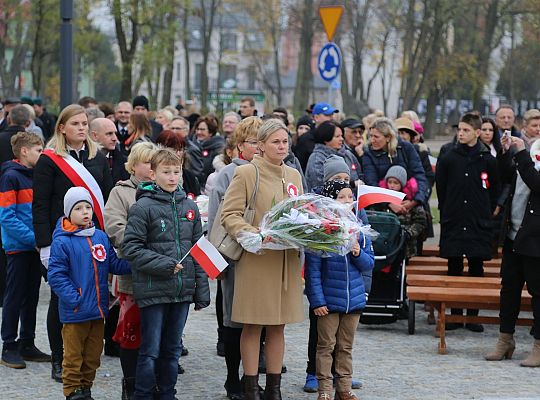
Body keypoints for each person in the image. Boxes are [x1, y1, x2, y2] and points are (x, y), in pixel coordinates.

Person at [220, 118, 304, 399]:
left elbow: (300, 213)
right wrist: (251, 233)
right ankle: (251, 385)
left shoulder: (293, 175)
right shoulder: (247, 172)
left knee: (278, 325)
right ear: (262, 145)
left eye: (285, 141)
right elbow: (229, 213)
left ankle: (274, 388)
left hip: (285, 260)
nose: (281, 146)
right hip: (256, 259)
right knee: (253, 324)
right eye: (275, 142)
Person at [33, 104, 113, 383]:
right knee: (61, 299)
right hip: (62, 242)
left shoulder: (98, 157)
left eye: (83, 123)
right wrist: (44, 244)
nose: (81, 128)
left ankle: (87, 357)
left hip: (92, 240)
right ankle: (60, 358)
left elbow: (106, 198)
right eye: (75, 124)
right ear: (62, 128)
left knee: (94, 296)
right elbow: (40, 204)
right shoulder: (49, 160)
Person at [122, 149, 210, 399]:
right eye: (166, 172)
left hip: (181, 291)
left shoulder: (189, 206)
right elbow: (131, 248)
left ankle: (168, 394)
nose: (172, 177)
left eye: (177, 172)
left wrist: (201, 291)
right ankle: (143, 394)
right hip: (153, 289)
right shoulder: (142, 207)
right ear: (153, 174)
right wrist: (164, 264)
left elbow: (198, 251)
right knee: (150, 350)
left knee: (173, 350)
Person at [48, 187, 130, 400]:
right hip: (75, 311)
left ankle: (86, 388)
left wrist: (136, 264)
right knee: (74, 356)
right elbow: (56, 275)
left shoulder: (100, 237)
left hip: (97, 310)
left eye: (88, 207)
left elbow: (113, 263)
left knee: (93, 355)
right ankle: (72, 391)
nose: (85, 212)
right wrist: (75, 298)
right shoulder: (62, 241)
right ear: (68, 212)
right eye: (78, 208)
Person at [208, 116, 262, 399]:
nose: (259, 148)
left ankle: (251, 376)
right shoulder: (227, 175)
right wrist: (218, 258)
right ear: (241, 145)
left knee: (260, 319)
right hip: (235, 255)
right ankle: (232, 378)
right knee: (233, 319)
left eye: (261, 142)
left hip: (264, 257)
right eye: (254, 142)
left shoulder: (275, 171)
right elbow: (217, 220)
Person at [305, 179, 374, 400]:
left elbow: (369, 264)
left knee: (346, 346)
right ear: (330, 202)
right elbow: (313, 271)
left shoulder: (359, 231)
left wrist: (357, 252)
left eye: (349, 197)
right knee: (325, 346)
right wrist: (317, 301)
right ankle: (325, 388)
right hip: (329, 301)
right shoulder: (321, 232)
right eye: (341, 197)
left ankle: (344, 388)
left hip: (352, 300)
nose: (347, 201)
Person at [436, 113, 500, 332]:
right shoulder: (448, 157)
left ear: (477, 132)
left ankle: (473, 316)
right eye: (459, 130)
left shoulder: (487, 159)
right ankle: (454, 315)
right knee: (453, 265)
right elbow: (441, 189)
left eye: (465, 130)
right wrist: (447, 211)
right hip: (454, 219)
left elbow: (494, 190)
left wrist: (487, 212)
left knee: (476, 266)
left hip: (477, 221)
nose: (460, 134)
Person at [103, 142, 157, 398]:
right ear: (134, 165)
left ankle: (153, 383)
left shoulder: (167, 190)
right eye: (147, 162)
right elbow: (114, 227)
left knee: (158, 334)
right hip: (134, 272)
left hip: (162, 275)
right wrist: (146, 246)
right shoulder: (121, 193)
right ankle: (131, 384)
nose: (152, 167)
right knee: (131, 332)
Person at [485, 135, 540, 367]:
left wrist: (520, 154)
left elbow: (536, 183)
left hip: (536, 239)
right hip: (512, 235)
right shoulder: (527, 151)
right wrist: (507, 153)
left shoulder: (527, 156)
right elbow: (505, 178)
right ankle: (505, 339)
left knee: (538, 294)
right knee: (509, 291)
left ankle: (538, 345)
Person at [0, 132, 50, 369]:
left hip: (34, 246)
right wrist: (34, 238)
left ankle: (27, 342)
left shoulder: (36, 176)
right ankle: (8, 344)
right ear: (24, 151)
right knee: (14, 295)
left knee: (32, 295)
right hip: (19, 247)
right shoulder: (10, 177)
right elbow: (7, 217)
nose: (42, 154)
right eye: (39, 150)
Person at [362, 117, 428, 215]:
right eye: (370, 136)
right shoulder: (369, 154)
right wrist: (389, 203)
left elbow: (420, 175)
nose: (372, 140)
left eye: (376, 137)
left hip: (410, 202)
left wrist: (415, 201)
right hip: (383, 208)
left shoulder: (406, 148)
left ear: (388, 137)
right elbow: (371, 183)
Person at [380, 166, 427, 260]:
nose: (392, 185)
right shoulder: (382, 202)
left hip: (406, 247)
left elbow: (421, 221)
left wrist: (408, 233)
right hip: (385, 246)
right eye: (389, 182)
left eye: (396, 183)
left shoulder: (410, 202)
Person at [305, 121, 362, 192]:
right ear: (326, 138)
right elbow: (319, 185)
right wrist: (352, 184)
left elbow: (360, 174)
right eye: (337, 136)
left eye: (341, 136)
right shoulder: (316, 159)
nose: (341, 139)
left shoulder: (348, 154)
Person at [156, 130, 201, 198]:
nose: (177, 153)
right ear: (160, 148)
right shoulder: (152, 175)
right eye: (173, 149)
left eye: (180, 149)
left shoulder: (190, 177)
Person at [294, 102, 338, 172]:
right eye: (328, 115)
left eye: (332, 114)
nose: (332, 118)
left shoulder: (337, 137)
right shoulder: (306, 139)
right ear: (316, 117)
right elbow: (299, 165)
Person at [89, 117, 129, 184]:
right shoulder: (82, 160)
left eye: (115, 133)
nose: (115, 139)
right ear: (95, 136)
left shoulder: (124, 162)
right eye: (109, 134)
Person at [192, 116, 225, 187]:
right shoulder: (192, 146)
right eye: (197, 129)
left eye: (202, 130)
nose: (199, 132)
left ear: (211, 132)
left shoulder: (218, 148)